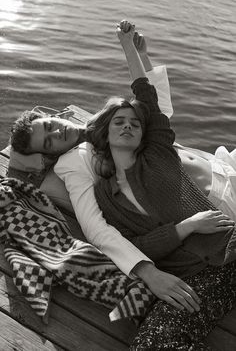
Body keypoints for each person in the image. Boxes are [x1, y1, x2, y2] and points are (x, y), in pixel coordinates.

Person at [9, 27, 236, 317]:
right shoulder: (73, 163)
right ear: (48, 154)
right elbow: (96, 228)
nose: (57, 131)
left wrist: (142, 57)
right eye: (49, 141)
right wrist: (147, 272)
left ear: (56, 115)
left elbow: (159, 114)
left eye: (50, 124)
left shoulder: (98, 123)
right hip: (217, 202)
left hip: (222, 164)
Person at [72, 20, 236, 350]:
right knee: (153, 342)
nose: (128, 126)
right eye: (119, 122)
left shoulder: (157, 153)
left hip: (230, 243)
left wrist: (128, 46)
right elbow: (138, 247)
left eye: (134, 123)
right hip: (195, 278)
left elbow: (145, 92)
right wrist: (186, 227)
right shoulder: (106, 195)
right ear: (105, 133)